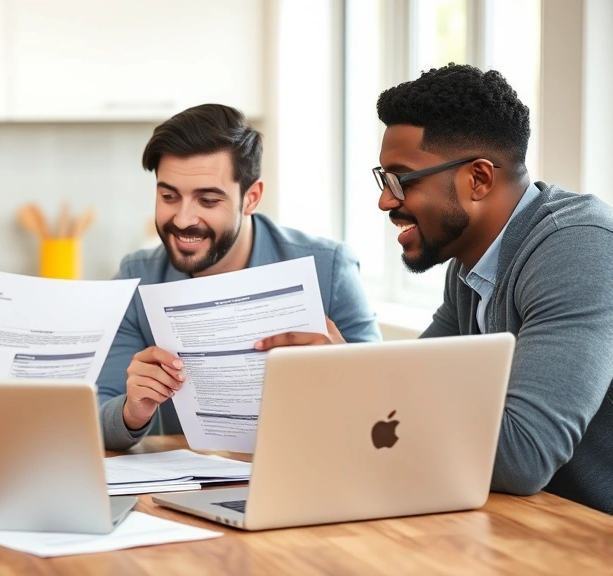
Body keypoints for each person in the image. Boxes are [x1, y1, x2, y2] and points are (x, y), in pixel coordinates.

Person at [258, 64, 613, 514]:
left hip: (587, 538)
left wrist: (348, 377)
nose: (385, 200)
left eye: (401, 180)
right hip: (519, 523)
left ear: (479, 179)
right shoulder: (468, 265)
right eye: (382, 179)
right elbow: (405, 395)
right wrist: (339, 373)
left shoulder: (578, 248)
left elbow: (523, 455)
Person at [99, 104, 381, 450]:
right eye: (169, 196)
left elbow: (383, 413)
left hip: (309, 471)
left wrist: (344, 373)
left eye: (208, 200)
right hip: (192, 486)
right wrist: (131, 411)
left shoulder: (330, 269)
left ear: (251, 198)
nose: (184, 218)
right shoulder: (137, 278)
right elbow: (94, 418)